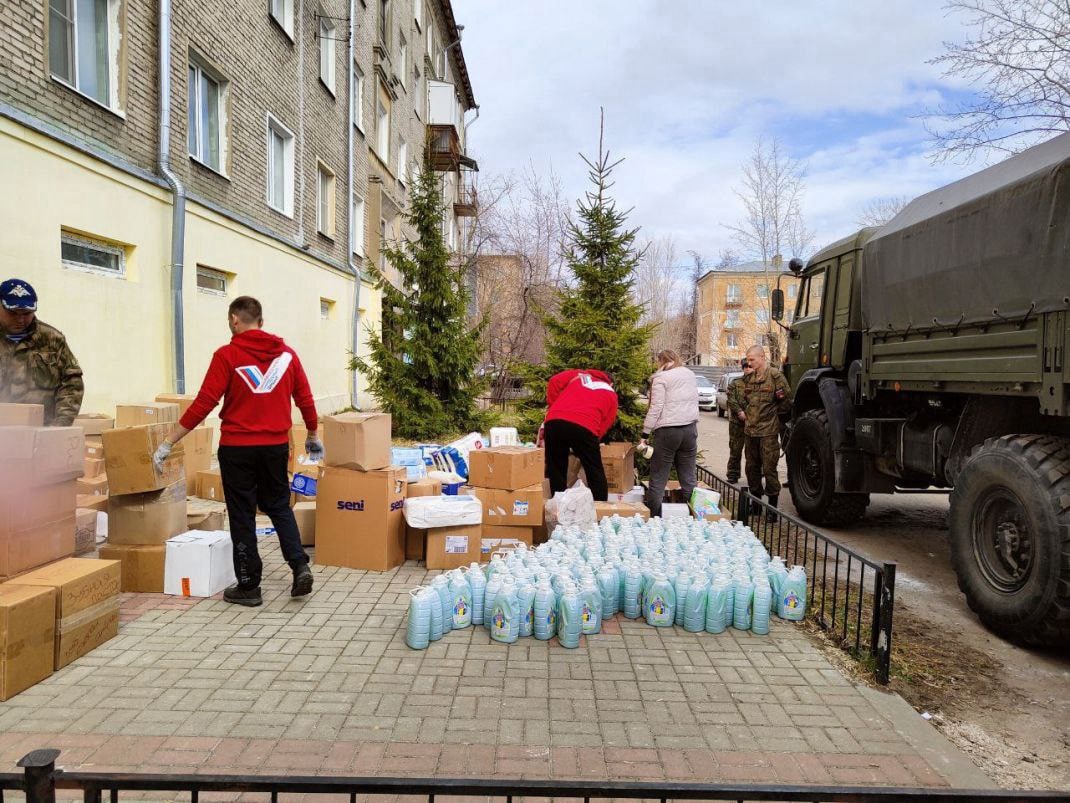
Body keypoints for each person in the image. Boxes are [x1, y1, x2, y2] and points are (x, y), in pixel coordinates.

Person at [153, 296, 322, 607]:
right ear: (260, 320)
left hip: (238, 449)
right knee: (279, 506)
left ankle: (249, 586)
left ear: (234, 320)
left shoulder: (227, 355)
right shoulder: (287, 356)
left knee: (242, 514)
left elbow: (204, 403)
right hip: (274, 447)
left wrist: (169, 441)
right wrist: (312, 433)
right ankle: (300, 567)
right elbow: (306, 399)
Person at [0, 278, 83, 426]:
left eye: (26, 313)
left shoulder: (52, 339)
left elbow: (71, 382)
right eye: (13, 313)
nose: (20, 319)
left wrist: (61, 424)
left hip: (43, 431)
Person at [542, 369, 618, 502]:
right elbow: (606, 422)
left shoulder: (580, 375)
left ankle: (558, 510)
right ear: (610, 383)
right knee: (594, 470)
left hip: (554, 421)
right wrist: (594, 441)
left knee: (557, 469)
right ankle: (600, 508)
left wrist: (553, 406)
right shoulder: (611, 393)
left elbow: (555, 381)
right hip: (585, 426)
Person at [640, 350, 699, 517]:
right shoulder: (690, 374)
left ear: (661, 361)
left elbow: (656, 407)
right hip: (690, 429)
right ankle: (696, 517)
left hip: (667, 431)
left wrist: (645, 433)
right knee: (688, 479)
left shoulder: (661, 378)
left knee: (658, 478)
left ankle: (654, 518)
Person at [740, 344, 791, 522]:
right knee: (751, 469)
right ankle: (756, 504)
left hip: (768, 432)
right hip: (750, 432)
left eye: (752, 359)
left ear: (762, 357)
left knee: (769, 470)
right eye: (748, 360)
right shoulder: (750, 378)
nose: (749, 362)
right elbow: (746, 400)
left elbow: (786, 402)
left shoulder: (775, 376)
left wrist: (772, 416)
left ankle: (772, 508)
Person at [725, 357, 753, 484]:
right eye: (745, 367)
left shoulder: (760, 383)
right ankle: (733, 474)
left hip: (754, 423)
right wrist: (739, 412)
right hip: (737, 423)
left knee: (753, 452)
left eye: (750, 366)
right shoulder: (735, 383)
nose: (748, 369)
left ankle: (755, 475)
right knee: (735, 449)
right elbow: (731, 399)